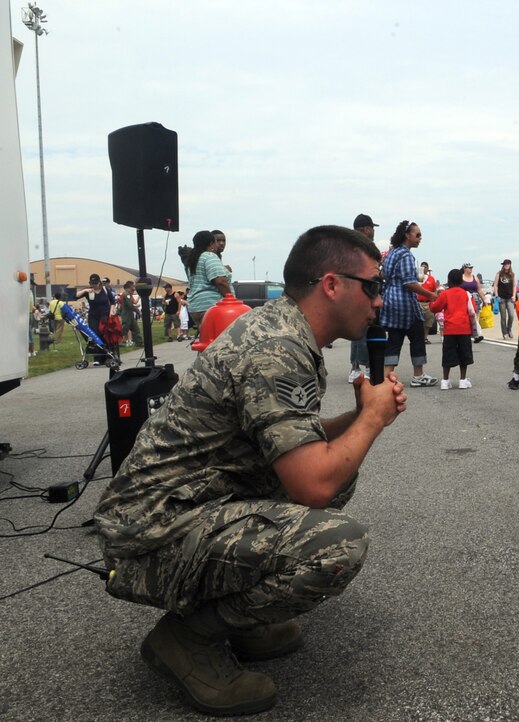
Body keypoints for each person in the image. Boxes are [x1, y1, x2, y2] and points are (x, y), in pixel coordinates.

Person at [94, 225, 408, 716]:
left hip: (184, 505)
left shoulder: (286, 332)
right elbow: (313, 485)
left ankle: (238, 619)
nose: (379, 301)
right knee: (339, 542)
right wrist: (371, 418)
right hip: (152, 531)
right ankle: (187, 639)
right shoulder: (276, 348)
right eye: (372, 286)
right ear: (331, 284)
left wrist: (360, 415)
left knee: (344, 470)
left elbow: (292, 440)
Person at [380, 220, 439, 387]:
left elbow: (383, 273)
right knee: (417, 336)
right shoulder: (406, 255)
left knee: (394, 338)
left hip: (390, 300)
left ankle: (387, 375)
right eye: (418, 234)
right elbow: (409, 283)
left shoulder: (392, 252)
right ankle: (418, 375)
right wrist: (430, 295)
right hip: (404, 304)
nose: (420, 238)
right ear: (408, 235)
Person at [430, 269, 474, 389]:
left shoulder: (445, 294)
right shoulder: (466, 294)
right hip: (464, 329)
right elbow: (472, 310)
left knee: (448, 354)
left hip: (449, 330)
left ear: (449, 281)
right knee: (464, 355)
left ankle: (445, 380)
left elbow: (435, 308)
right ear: (461, 280)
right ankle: (463, 380)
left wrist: (432, 301)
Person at [348, 213, 380, 383]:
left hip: (352, 293)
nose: (374, 231)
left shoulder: (349, 246)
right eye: (372, 228)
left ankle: (355, 367)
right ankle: (364, 367)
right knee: (365, 330)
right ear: (367, 230)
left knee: (357, 331)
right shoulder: (366, 247)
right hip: (366, 292)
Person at [185, 230, 232, 333]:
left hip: (196, 307)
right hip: (210, 305)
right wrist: (232, 300)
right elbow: (220, 281)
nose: (219, 244)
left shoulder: (193, 260)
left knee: (207, 340)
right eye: (216, 241)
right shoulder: (210, 256)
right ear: (211, 243)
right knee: (218, 341)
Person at [74, 273, 116, 366]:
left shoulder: (105, 290)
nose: (94, 285)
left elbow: (112, 302)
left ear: (99, 282)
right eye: (92, 283)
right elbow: (75, 296)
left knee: (104, 335)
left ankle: (107, 356)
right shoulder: (88, 291)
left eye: (95, 283)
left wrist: (111, 312)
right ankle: (97, 358)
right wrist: (85, 290)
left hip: (105, 316)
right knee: (94, 335)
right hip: (93, 316)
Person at [492, 259, 517, 339]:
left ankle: (509, 329)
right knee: (503, 317)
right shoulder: (499, 274)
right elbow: (495, 285)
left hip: (510, 297)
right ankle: (504, 333)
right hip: (501, 297)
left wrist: (514, 295)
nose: (506, 265)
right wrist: (496, 295)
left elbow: (514, 286)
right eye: (505, 264)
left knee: (511, 315)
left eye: (508, 264)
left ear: (510, 265)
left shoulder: (512, 274)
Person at [460, 263, 485, 342]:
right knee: (466, 317)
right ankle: (468, 334)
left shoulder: (474, 277)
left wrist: (484, 300)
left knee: (474, 317)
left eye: (471, 267)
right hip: (464, 299)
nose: (470, 269)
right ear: (464, 268)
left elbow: (479, 289)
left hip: (474, 299)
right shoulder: (461, 277)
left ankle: (476, 335)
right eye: (468, 267)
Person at [418, 261, 438, 344]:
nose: (424, 268)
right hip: (418, 303)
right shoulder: (417, 278)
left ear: (427, 268)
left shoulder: (431, 278)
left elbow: (435, 291)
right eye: (422, 267)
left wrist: (434, 302)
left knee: (428, 322)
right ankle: (418, 338)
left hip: (428, 303)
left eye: (425, 267)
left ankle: (425, 338)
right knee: (419, 322)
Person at [120, 280, 143, 346]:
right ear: (130, 286)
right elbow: (130, 305)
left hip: (130, 315)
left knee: (135, 329)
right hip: (126, 315)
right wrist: (137, 311)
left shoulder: (128, 294)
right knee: (124, 329)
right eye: (133, 286)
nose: (134, 287)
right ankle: (118, 342)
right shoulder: (126, 294)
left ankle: (139, 342)